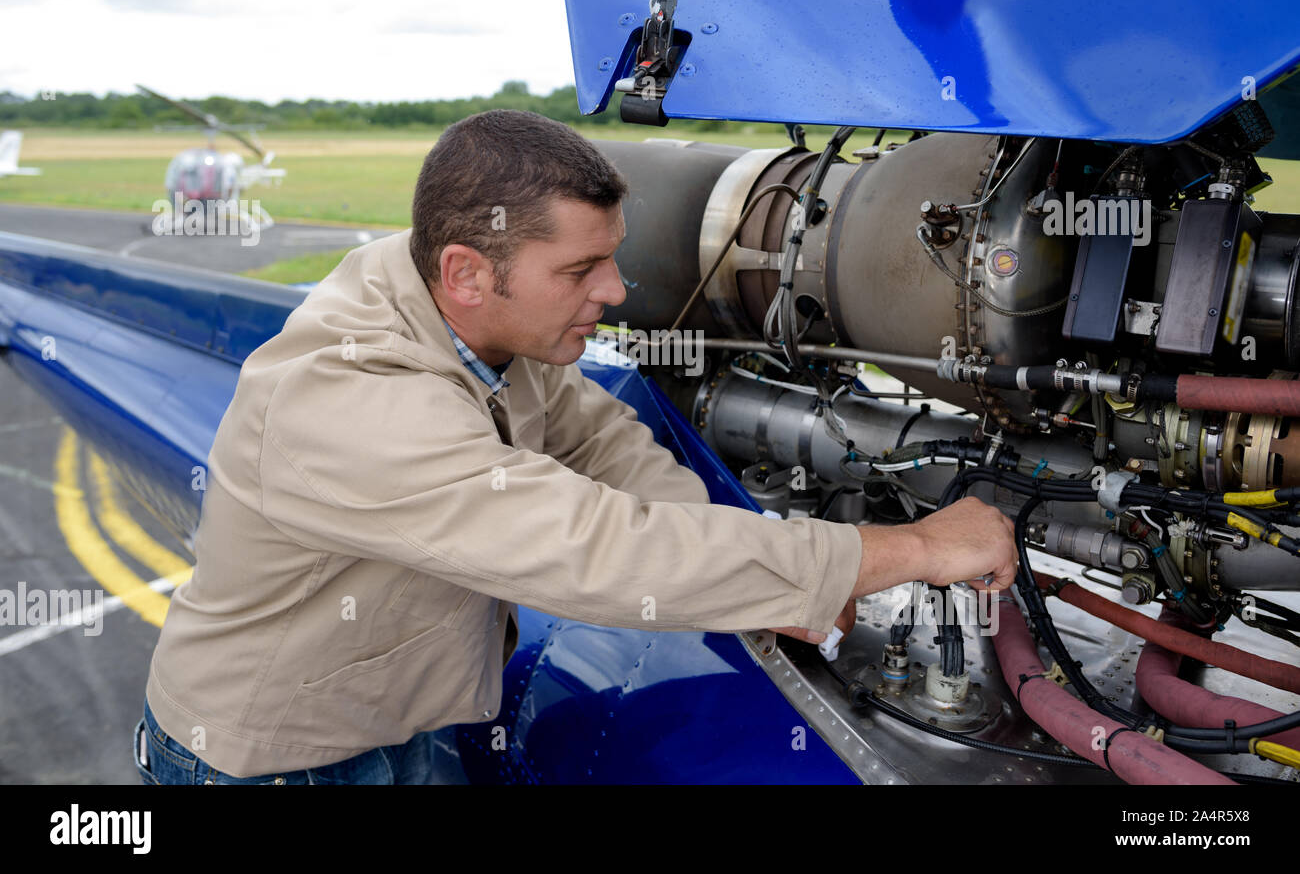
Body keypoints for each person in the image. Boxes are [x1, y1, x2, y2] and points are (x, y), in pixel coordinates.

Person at [135, 109, 1018, 785]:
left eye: (612, 257)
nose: (614, 288)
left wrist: (764, 584)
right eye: (578, 271)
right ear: (467, 274)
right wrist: (911, 549)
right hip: (266, 762)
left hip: (403, 720)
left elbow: (597, 435)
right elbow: (596, 551)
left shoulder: (465, 312)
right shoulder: (353, 401)